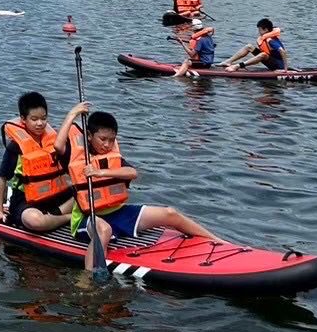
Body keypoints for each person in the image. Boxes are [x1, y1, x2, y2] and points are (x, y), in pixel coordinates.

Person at [67, 111, 223, 273]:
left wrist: (100, 172)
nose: (107, 145)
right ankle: (89, 279)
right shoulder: (76, 156)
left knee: (170, 213)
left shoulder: (114, 157)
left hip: (117, 213)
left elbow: (132, 173)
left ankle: (216, 240)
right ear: (90, 136)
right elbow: (58, 146)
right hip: (88, 219)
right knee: (104, 230)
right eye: (103, 139)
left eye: (111, 140)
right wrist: (73, 114)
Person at [0, 91, 89, 232]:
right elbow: (2, 178)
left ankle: (54, 216)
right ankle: (68, 217)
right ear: (23, 119)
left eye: (44, 118)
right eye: (34, 119)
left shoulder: (54, 140)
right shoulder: (16, 147)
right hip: (27, 201)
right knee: (35, 221)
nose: (40, 123)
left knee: (89, 194)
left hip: (57, 198)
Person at [222, 18, 288, 72]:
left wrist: (285, 70)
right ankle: (228, 62)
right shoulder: (266, 38)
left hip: (278, 66)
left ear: (266, 29)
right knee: (249, 46)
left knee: (263, 54)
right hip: (271, 61)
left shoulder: (271, 41)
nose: (258, 32)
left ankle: (238, 66)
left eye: (259, 30)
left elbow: (282, 51)